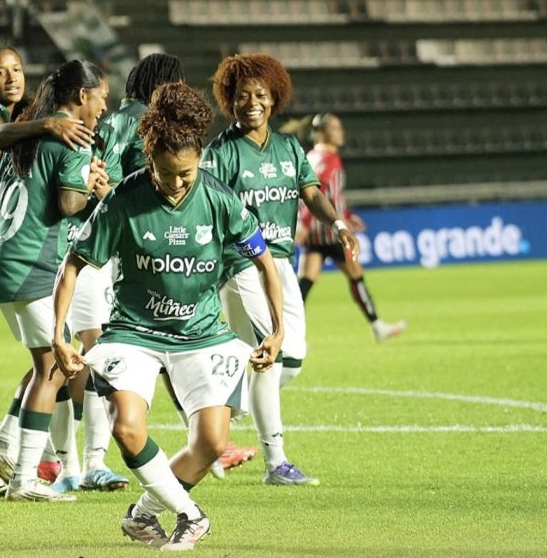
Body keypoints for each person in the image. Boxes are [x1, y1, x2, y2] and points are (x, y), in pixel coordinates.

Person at [51, 82, 285, 550]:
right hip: (134, 331)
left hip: (202, 332)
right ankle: (191, 515)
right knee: (127, 427)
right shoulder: (124, 200)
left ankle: (142, 515)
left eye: (186, 173)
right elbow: (73, 266)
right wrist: (58, 335)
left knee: (212, 443)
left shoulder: (219, 199)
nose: (177, 183)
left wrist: (277, 331)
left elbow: (265, 262)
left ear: (199, 156)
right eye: (166, 173)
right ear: (150, 155)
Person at [0, 59, 111, 502]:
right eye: (101, 95)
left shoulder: (19, 139)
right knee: (58, 364)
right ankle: (24, 477)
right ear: (82, 96)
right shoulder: (72, 140)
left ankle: (4, 448)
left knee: (43, 363)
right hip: (30, 264)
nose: (105, 105)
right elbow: (69, 203)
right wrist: (93, 187)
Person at [203, 53, 360, 487]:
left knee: (292, 360)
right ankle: (277, 462)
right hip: (239, 266)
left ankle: (211, 417)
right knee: (268, 360)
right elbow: (212, 209)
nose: (251, 102)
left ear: (274, 100)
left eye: (260, 95)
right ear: (229, 103)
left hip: (280, 263)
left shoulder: (290, 148)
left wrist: (339, 224)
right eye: (241, 96)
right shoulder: (223, 152)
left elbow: (311, 193)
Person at [98, 52, 256, 476]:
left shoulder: (124, 120)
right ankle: (76, 459)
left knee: (169, 345)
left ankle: (203, 440)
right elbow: (111, 181)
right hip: (138, 245)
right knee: (96, 356)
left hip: (140, 243)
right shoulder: (137, 122)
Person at [296, 113, 408, 342]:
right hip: (332, 233)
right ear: (324, 132)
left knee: (305, 283)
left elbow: (329, 196)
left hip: (315, 235)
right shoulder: (328, 159)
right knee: (356, 276)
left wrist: (347, 214)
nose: (341, 132)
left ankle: (288, 330)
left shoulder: (311, 156)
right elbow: (316, 193)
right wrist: (305, 223)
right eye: (336, 128)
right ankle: (377, 326)